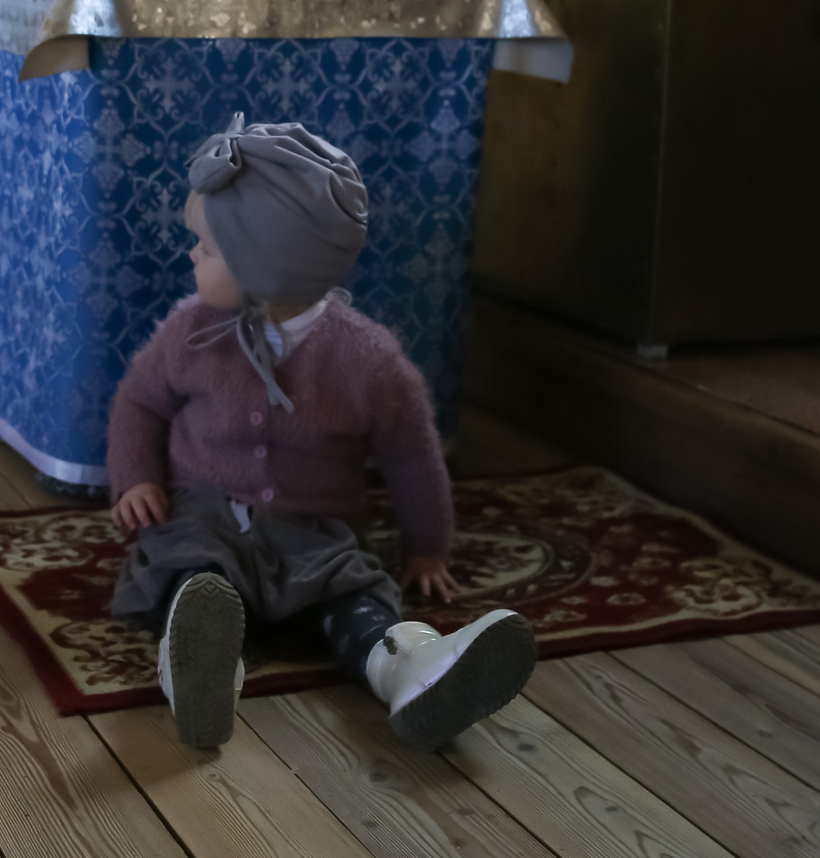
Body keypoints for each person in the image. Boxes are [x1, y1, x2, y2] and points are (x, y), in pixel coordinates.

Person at [107, 118, 536, 754]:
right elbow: (139, 402)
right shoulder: (190, 332)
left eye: (208, 247)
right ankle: (199, 665)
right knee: (190, 574)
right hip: (206, 514)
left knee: (354, 595)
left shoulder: (366, 359)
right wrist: (137, 477)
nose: (192, 256)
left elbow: (412, 454)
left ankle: (411, 670)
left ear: (264, 263)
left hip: (315, 531)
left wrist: (427, 549)